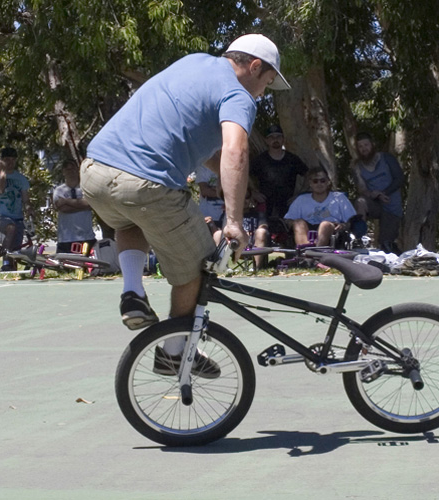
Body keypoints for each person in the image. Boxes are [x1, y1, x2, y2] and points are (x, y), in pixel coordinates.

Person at [81, 31, 290, 362]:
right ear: (253, 67)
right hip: (145, 186)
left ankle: (132, 292)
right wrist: (234, 221)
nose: (263, 93)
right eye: (266, 83)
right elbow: (235, 150)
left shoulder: (192, 62)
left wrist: (227, 178)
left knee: (130, 220)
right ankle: (174, 353)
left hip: (95, 172)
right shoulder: (239, 95)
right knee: (200, 268)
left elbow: (193, 138)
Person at [249, 124, 308, 251]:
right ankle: (260, 261)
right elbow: (245, 176)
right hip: (265, 204)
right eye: (271, 137)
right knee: (262, 232)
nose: (275, 140)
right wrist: (253, 192)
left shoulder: (292, 159)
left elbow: (309, 175)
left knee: (291, 233)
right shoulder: (260, 160)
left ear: (283, 139)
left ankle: (297, 258)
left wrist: (299, 196)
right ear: (266, 140)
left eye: (278, 137)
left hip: (288, 204)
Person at [351, 132, 404, 253]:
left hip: (391, 206)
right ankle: (359, 238)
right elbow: (362, 189)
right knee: (360, 202)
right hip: (375, 203)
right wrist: (373, 194)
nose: (364, 149)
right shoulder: (357, 166)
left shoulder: (386, 158)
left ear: (372, 144)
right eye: (360, 146)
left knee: (386, 244)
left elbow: (399, 178)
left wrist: (384, 193)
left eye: (366, 145)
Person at [284, 167, 356, 247]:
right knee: (298, 223)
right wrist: (295, 224)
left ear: (328, 182)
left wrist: (343, 226)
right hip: (307, 229)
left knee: (325, 225)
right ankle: (306, 251)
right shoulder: (301, 199)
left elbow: (352, 220)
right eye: (315, 181)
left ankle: (315, 251)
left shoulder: (339, 198)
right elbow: (288, 220)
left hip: (332, 230)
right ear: (310, 183)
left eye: (323, 181)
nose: (319, 184)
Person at [0, 147, 32, 271]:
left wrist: (29, 208)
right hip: (0, 216)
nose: (10, 162)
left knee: (15, 249)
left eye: (13, 159)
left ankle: (11, 268)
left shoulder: (21, 178)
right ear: (1, 160)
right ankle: (5, 262)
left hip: (17, 217)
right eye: (7, 159)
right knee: (10, 228)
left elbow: (25, 199)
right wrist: (2, 171)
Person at [52, 159, 96, 254]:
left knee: (87, 262)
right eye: (67, 169)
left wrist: (66, 201)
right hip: (66, 238)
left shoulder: (85, 188)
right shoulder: (59, 190)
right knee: (65, 263)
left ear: (77, 170)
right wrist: (82, 205)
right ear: (63, 172)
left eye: (73, 169)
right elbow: (63, 209)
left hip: (86, 237)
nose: (70, 172)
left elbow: (89, 204)